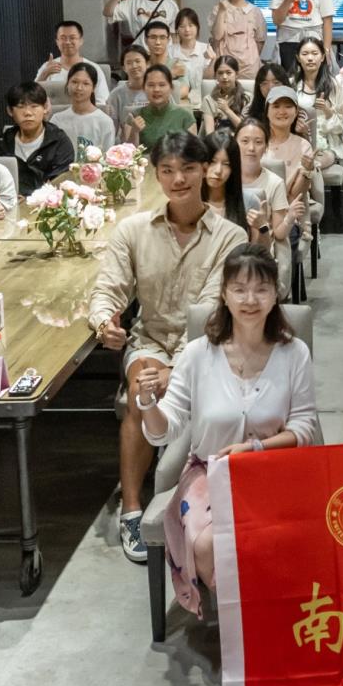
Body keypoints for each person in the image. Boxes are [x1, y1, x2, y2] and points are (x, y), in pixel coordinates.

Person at [90, 131, 249, 564]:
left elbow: (215, 311)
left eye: (188, 169)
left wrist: (178, 368)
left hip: (210, 346)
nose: (178, 179)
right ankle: (132, 510)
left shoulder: (230, 236)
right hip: (153, 339)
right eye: (168, 170)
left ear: (205, 171)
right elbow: (108, 288)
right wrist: (104, 322)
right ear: (155, 175)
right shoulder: (134, 230)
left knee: (166, 381)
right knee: (141, 388)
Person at [137, 244, 319, 614]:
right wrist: (147, 403)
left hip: (274, 472)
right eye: (239, 289)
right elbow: (164, 431)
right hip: (209, 472)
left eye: (261, 289)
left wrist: (254, 450)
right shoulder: (197, 354)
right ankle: (247, 623)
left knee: (278, 537)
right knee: (209, 543)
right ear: (224, 294)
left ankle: (260, 621)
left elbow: (305, 426)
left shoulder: (294, 352)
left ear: (275, 295)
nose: (250, 300)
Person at [236, 115, 300, 277]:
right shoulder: (225, 178)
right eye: (244, 141)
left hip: (259, 252)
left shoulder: (275, 182)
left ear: (265, 147)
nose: (251, 148)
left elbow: (279, 233)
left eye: (258, 142)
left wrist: (289, 217)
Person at [0, 83, 76, 196]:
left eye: (34, 106)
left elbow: (59, 184)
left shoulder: (59, 142)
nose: (28, 113)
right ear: (10, 111)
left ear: (45, 108)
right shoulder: (0, 144)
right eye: (20, 107)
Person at [290, 36, 343, 171]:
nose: (310, 58)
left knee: (311, 164)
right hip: (298, 140)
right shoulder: (292, 84)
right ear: (298, 58)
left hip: (327, 144)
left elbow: (340, 127)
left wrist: (327, 110)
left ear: (322, 57)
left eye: (315, 53)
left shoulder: (333, 85)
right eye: (305, 54)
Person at [35, 19, 110, 105]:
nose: (67, 42)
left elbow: (102, 100)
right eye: (63, 38)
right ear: (57, 42)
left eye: (72, 38)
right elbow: (31, 97)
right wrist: (44, 74)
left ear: (81, 41)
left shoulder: (94, 68)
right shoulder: (47, 67)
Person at [209, 0, 267, 74]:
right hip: (225, 63)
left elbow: (260, 40)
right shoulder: (218, 8)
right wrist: (222, 11)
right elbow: (217, 36)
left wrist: (252, 57)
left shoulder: (255, 11)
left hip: (250, 65)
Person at [50, 62, 117, 153]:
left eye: (86, 84)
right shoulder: (57, 120)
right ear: (67, 84)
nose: (79, 88)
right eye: (74, 82)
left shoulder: (105, 122)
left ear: (93, 88)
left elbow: (108, 156)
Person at [130, 63, 196, 152]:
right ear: (144, 88)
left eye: (162, 85)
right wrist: (134, 132)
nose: (156, 89)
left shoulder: (185, 116)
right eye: (151, 85)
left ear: (171, 88)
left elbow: (193, 153)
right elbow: (128, 154)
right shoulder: (134, 116)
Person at [201, 130, 250, 236]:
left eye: (226, 164)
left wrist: (262, 226)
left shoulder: (249, 201)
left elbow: (257, 246)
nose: (218, 170)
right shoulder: (188, 202)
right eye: (212, 162)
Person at [107, 45, 154, 138]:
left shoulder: (157, 90)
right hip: (127, 142)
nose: (134, 66)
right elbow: (112, 129)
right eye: (129, 63)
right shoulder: (116, 95)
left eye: (138, 61)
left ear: (147, 64)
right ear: (124, 68)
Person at [168, 7, 212, 102]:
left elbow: (209, 79)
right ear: (177, 29)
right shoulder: (170, 51)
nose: (187, 30)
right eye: (182, 26)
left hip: (202, 99)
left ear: (197, 27)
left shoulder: (206, 49)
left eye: (191, 25)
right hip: (177, 100)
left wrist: (213, 60)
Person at [201, 52, 248, 134]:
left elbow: (246, 129)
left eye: (228, 73)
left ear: (236, 74)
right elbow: (210, 134)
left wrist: (226, 110)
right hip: (216, 140)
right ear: (215, 75)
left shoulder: (247, 97)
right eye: (220, 73)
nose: (224, 77)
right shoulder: (208, 100)